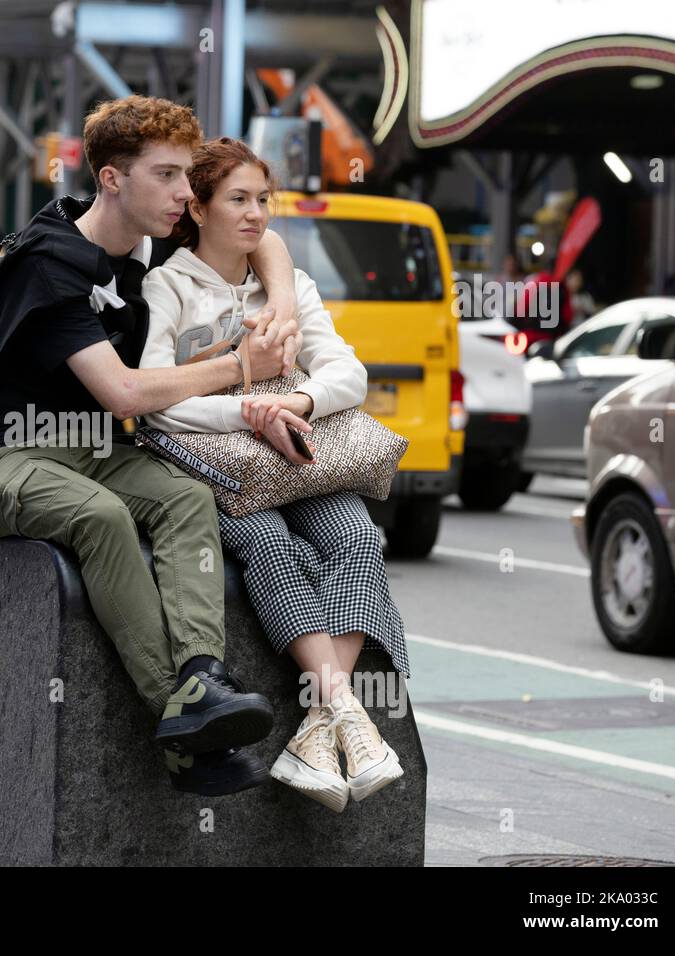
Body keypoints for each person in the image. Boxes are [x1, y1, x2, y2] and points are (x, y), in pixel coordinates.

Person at [0, 95, 306, 796]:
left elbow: (263, 240)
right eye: (166, 176)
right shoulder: (51, 262)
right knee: (100, 517)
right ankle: (181, 715)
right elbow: (124, 395)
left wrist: (278, 309)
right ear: (112, 179)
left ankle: (203, 677)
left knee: (186, 498)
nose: (185, 194)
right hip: (5, 460)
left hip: (99, 453)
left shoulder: (156, 235)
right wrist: (246, 367)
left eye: (188, 177)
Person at [141, 138, 409, 812]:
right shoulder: (166, 285)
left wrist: (292, 403)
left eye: (263, 199)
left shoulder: (290, 289)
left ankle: (321, 729)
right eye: (238, 199)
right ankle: (348, 713)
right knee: (270, 544)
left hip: (299, 456)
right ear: (197, 208)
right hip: (223, 469)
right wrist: (248, 412)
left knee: (357, 537)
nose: (256, 213)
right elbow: (155, 397)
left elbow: (347, 373)